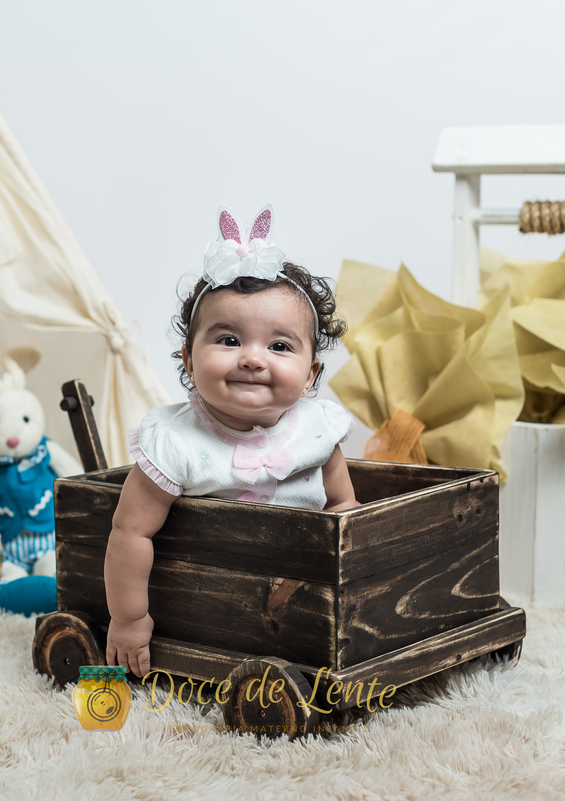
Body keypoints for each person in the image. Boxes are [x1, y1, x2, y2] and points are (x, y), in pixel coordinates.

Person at [105, 204, 360, 677]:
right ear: (188, 358)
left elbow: (344, 508)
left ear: (311, 374)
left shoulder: (318, 429)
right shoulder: (175, 442)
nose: (253, 359)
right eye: (228, 340)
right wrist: (129, 619)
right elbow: (130, 532)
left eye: (279, 346)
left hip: (303, 593)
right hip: (210, 597)